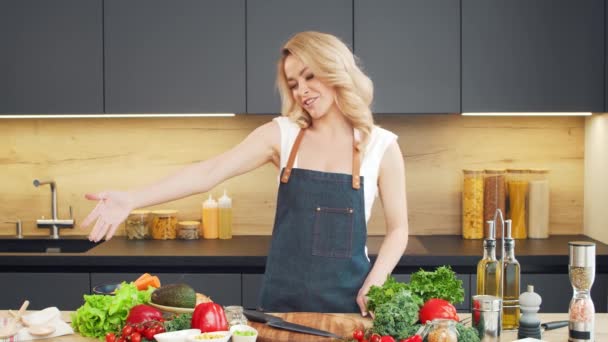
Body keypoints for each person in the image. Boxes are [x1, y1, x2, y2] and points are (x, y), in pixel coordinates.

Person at [82, 31, 409, 315]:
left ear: (335, 70)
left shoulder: (380, 146)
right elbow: (209, 172)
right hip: (281, 306)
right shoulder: (282, 135)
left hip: (349, 306)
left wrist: (374, 284)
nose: (301, 92)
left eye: (310, 77)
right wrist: (133, 198)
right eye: (293, 84)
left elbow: (398, 230)